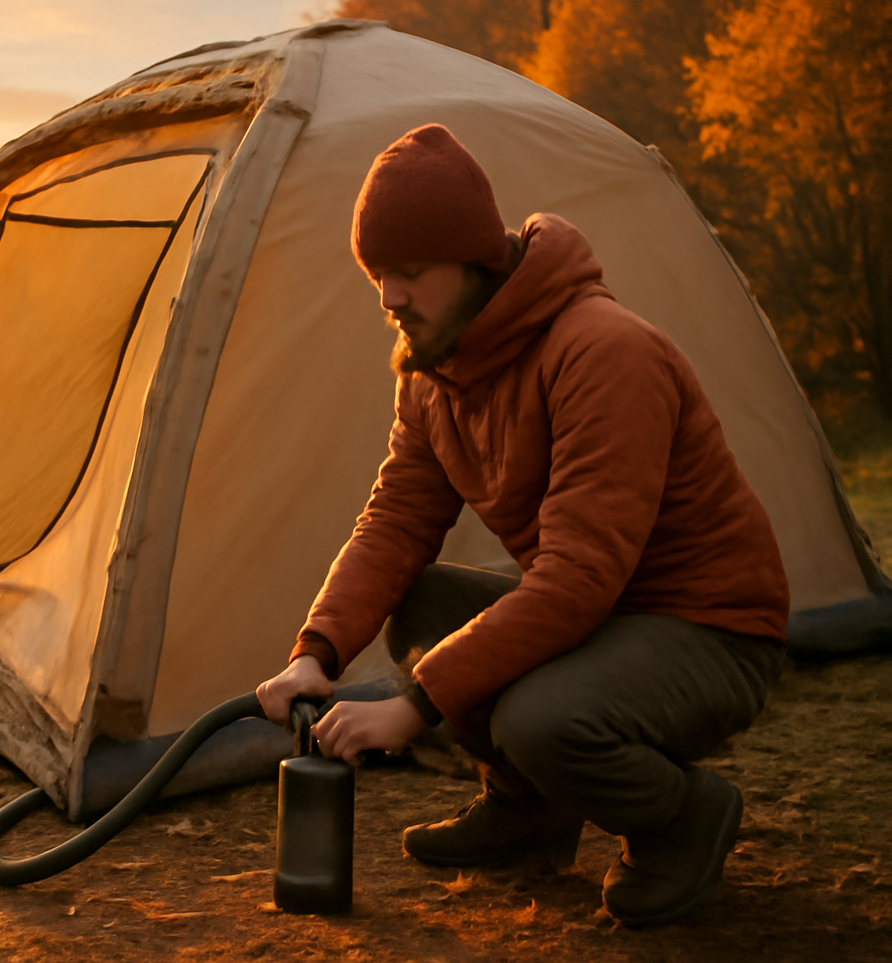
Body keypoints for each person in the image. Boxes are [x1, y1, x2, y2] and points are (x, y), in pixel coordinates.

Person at [255, 123, 789, 928]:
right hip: (602, 614)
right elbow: (395, 520)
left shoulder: (603, 351)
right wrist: (316, 651)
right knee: (421, 604)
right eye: (377, 276)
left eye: (409, 273)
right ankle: (528, 807)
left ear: (474, 262)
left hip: (709, 627)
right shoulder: (435, 371)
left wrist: (418, 704)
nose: (389, 298)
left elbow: (578, 579)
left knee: (539, 719)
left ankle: (682, 817)